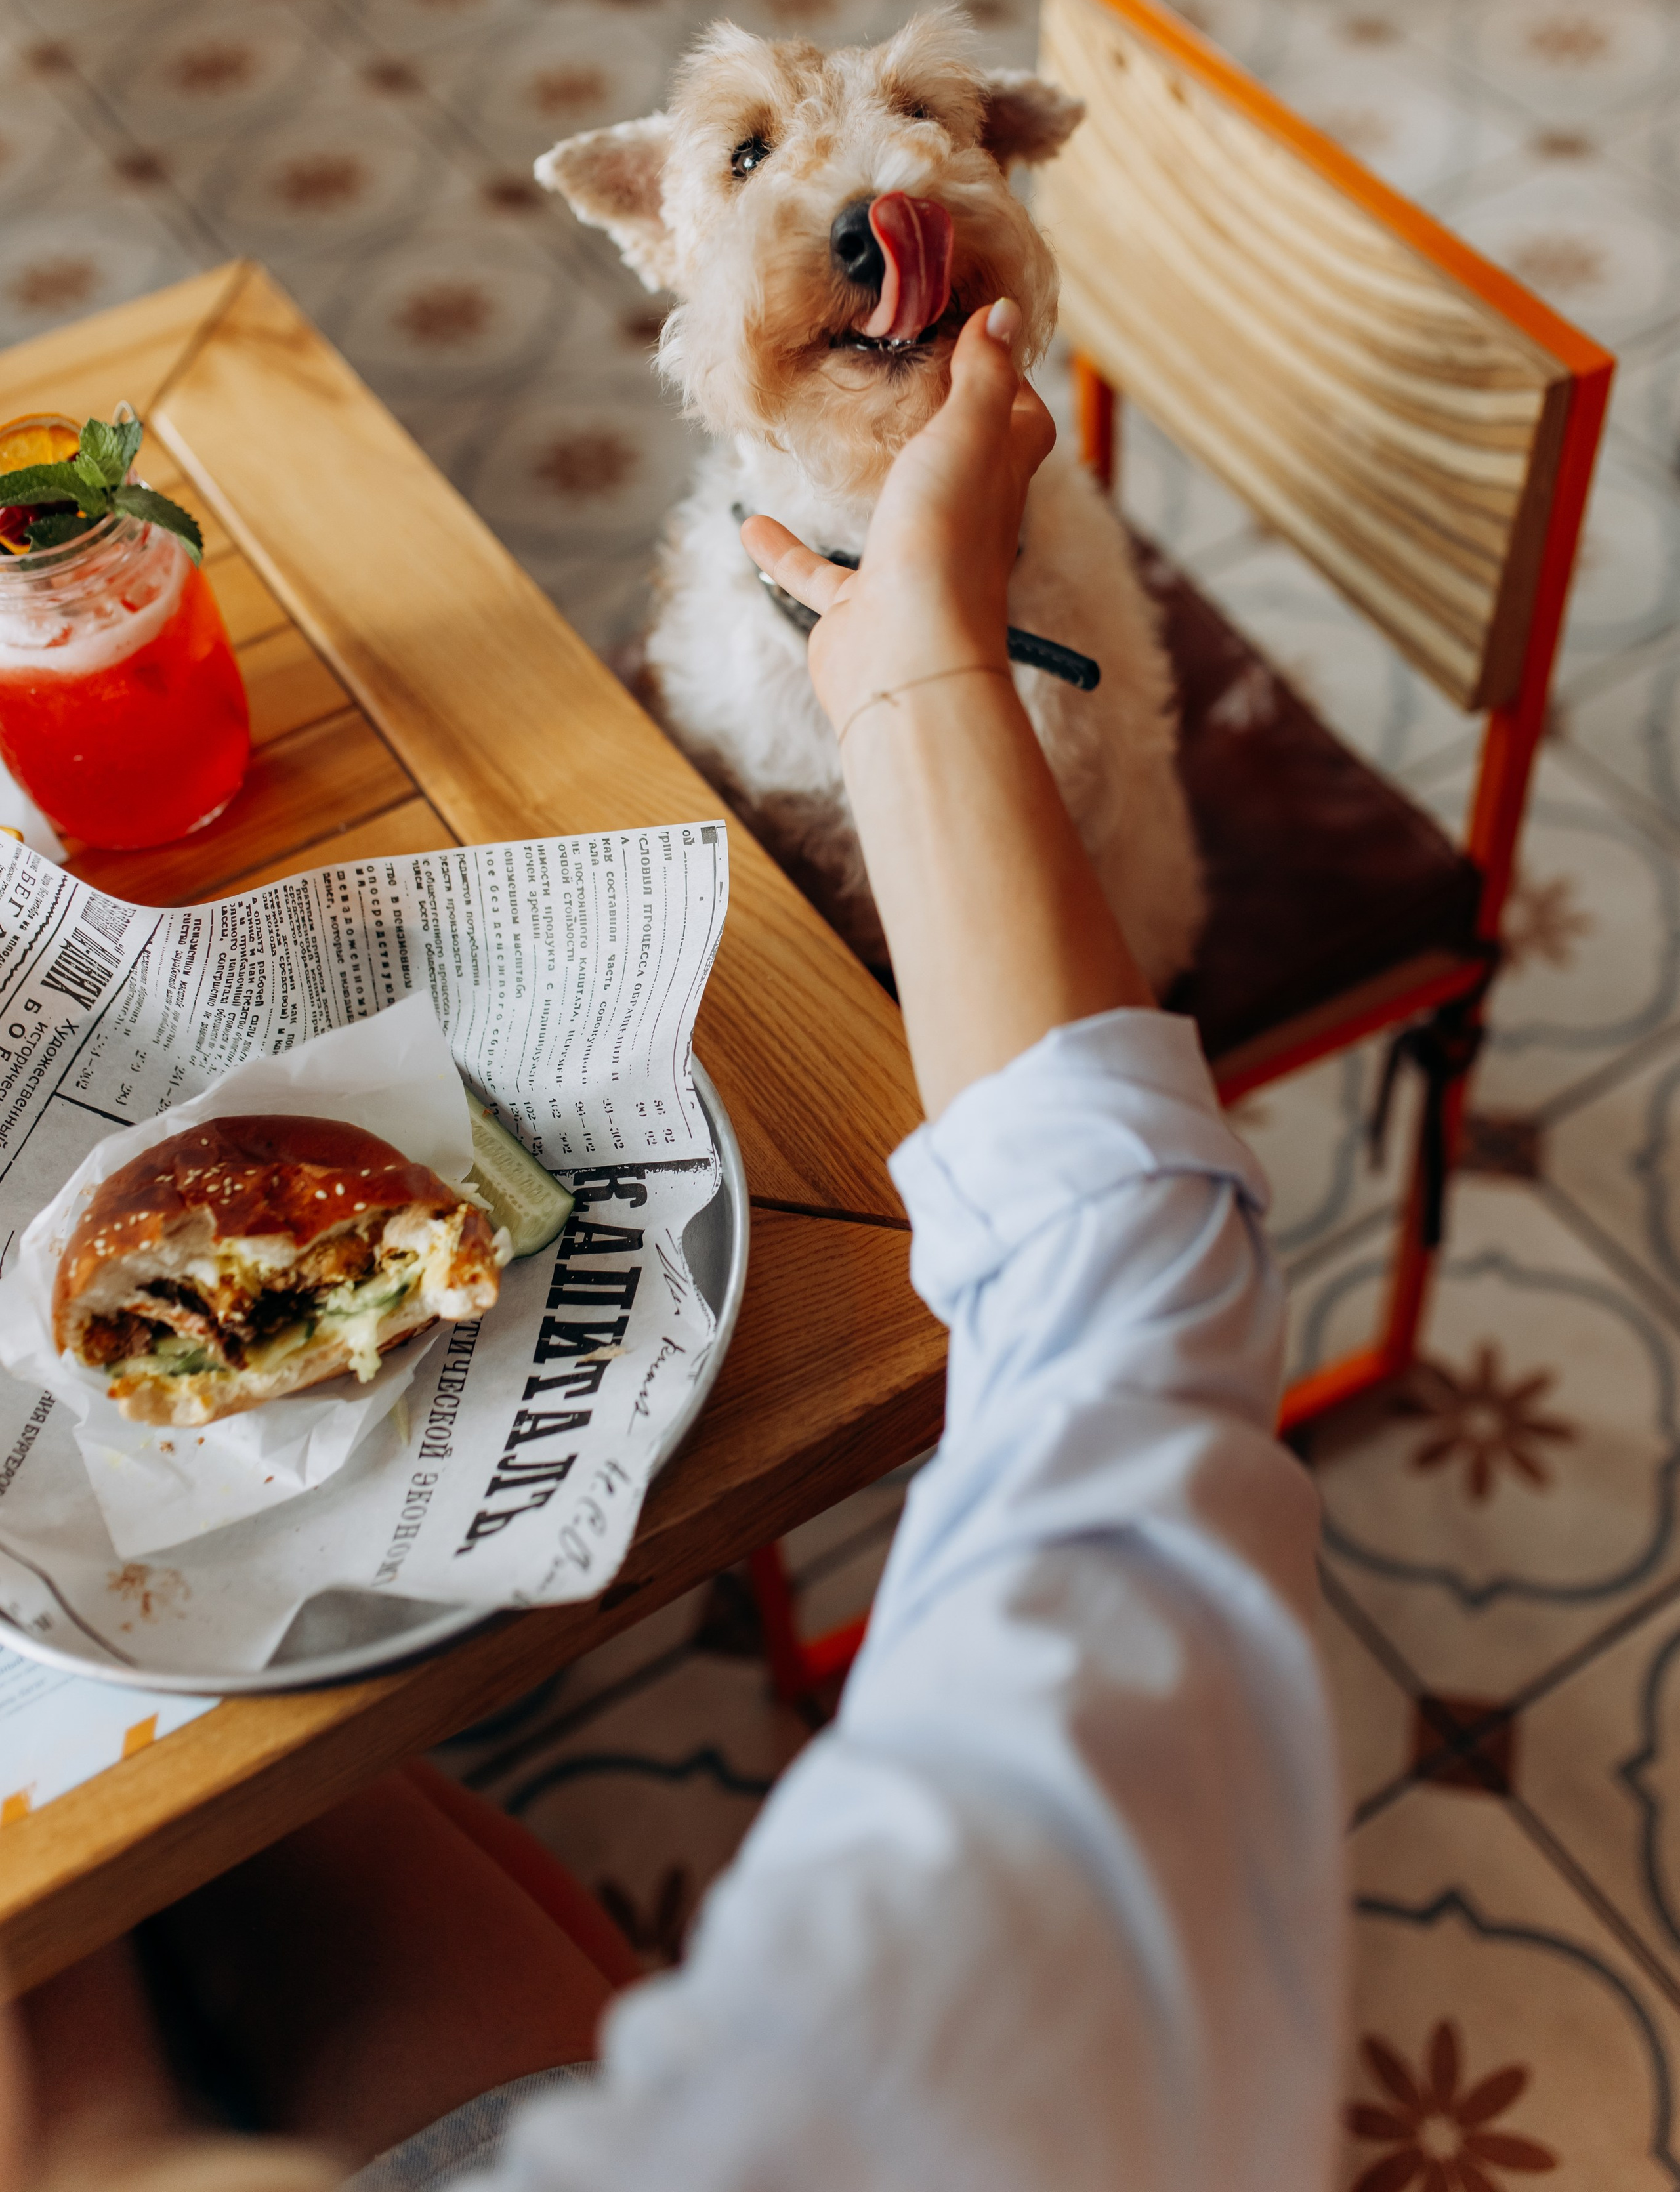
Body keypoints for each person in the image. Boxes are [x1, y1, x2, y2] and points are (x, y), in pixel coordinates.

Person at [8, 304, 1344, 2192]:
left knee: (218, 1866)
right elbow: (1129, 1339)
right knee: (339, 1853)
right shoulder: (978, 2090)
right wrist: (913, 656)